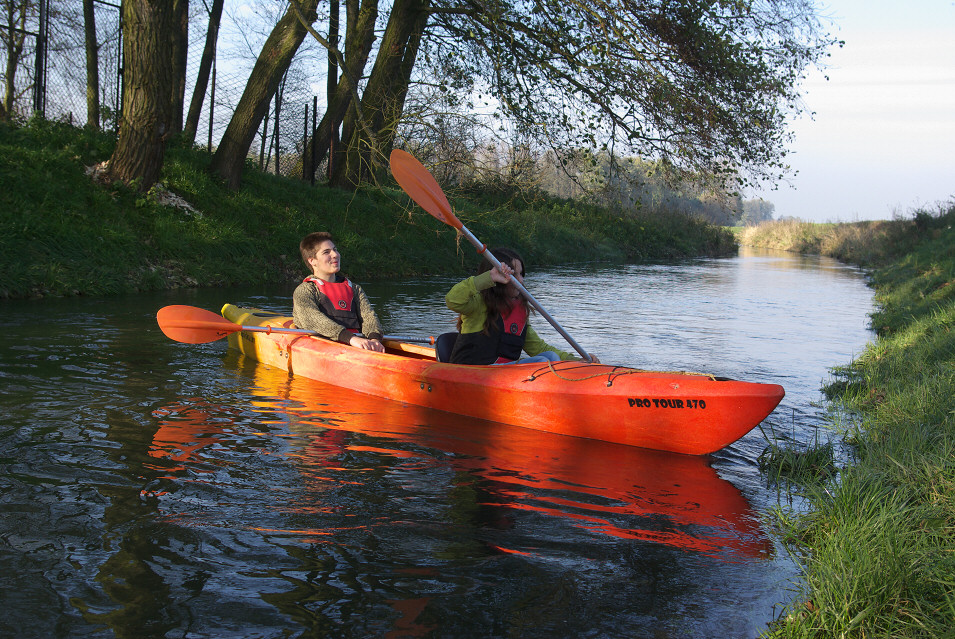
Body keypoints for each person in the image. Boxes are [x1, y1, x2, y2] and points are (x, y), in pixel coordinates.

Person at [445, 247, 599, 365]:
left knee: (551, 357)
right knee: (542, 363)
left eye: (521, 274)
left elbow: (538, 348)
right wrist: (489, 277)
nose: (521, 281)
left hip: (504, 378)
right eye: (514, 275)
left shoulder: (519, 312)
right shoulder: (478, 304)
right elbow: (453, 300)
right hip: (470, 373)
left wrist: (575, 360)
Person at [292, 231, 386, 352]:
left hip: (355, 344)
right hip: (325, 346)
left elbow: (369, 316)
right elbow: (311, 320)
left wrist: (374, 340)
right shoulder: (305, 290)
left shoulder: (355, 289)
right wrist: (351, 339)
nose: (335, 255)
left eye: (335, 250)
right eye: (327, 252)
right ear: (312, 261)